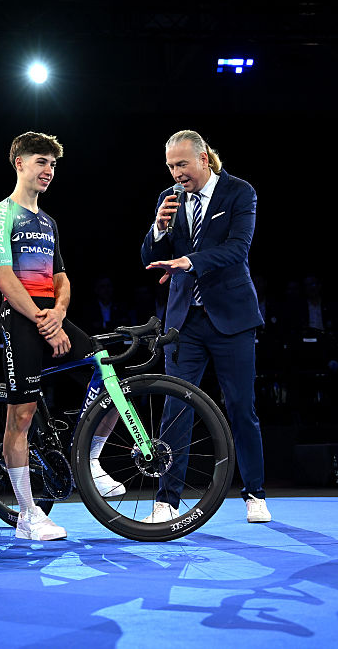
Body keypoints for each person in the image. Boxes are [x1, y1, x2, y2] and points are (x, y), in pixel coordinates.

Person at [0, 132, 122, 540]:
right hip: (19, 318)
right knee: (21, 416)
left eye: (53, 165)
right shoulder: (1, 214)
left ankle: (90, 462)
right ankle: (28, 515)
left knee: (108, 374)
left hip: (49, 316)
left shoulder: (48, 222)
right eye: (41, 161)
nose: (49, 170)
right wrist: (43, 321)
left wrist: (58, 314)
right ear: (20, 163)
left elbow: (62, 278)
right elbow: (4, 277)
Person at [141, 130, 270, 523]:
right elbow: (150, 256)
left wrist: (189, 261)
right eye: (170, 166)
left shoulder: (239, 192)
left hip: (232, 318)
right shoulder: (169, 198)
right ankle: (166, 501)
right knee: (175, 409)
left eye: (182, 164)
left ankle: (255, 494)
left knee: (241, 407)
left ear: (203, 159)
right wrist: (158, 229)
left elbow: (237, 249)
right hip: (184, 322)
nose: (176, 173)